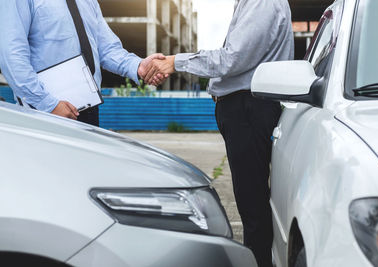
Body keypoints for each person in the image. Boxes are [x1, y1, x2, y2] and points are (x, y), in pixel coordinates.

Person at [144, 0, 294, 266]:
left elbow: (232, 59)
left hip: (248, 109)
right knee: (253, 203)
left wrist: (175, 62)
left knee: (253, 207)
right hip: (245, 109)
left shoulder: (262, 2)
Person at [0, 0, 165, 126]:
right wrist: (48, 105)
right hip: (44, 112)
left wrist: (138, 66)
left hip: (88, 108)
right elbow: (12, 57)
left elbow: (107, 48)